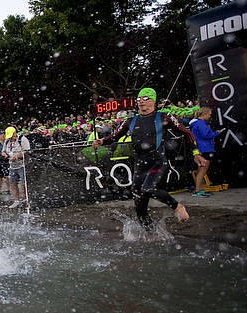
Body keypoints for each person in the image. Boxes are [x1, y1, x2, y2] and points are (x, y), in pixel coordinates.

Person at [92, 87, 207, 227]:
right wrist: (102, 141)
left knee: (149, 189)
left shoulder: (164, 117)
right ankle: (150, 233)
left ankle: (178, 207)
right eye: (139, 99)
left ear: (153, 101)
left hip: (157, 163)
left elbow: (187, 133)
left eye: (145, 98)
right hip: (140, 165)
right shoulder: (130, 121)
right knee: (139, 207)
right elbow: (115, 136)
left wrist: (196, 153)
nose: (141, 101)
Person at [189, 106, 224, 197]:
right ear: (203, 114)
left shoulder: (198, 123)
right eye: (209, 114)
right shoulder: (201, 124)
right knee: (202, 170)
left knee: (201, 170)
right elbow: (206, 135)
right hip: (205, 148)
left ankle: (199, 189)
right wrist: (217, 133)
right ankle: (198, 190)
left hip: (202, 148)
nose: (210, 116)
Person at [1, 126, 30, 209]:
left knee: (24, 183)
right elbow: (3, 151)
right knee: (12, 183)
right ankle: (16, 200)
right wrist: (5, 154)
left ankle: (26, 199)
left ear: (15, 133)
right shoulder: (7, 141)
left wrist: (17, 156)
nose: (11, 138)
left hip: (22, 165)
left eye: (12, 136)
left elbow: (27, 152)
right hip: (12, 166)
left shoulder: (22, 139)